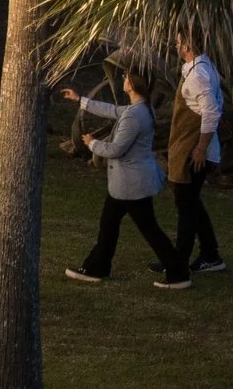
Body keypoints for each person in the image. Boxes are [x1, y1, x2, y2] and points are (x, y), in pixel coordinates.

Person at [59, 72, 188, 287]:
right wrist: (80, 100)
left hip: (130, 184)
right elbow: (112, 110)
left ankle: (178, 273)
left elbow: (116, 149)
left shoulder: (134, 116)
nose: (123, 79)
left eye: (126, 77)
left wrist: (92, 143)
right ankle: (97, 267)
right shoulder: (140, 109)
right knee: (109, 224)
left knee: (148, 229)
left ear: (134, 84)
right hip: (128, 183)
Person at [167, 32, 226, 274]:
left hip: (195, 152)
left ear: (188, 45)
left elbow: (211, 112)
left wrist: (201, 148)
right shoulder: (200, 68)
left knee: (186, 205)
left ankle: (179, 260)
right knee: (191, 203)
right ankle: (210, 254)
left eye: (178, 41)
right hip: (193, 149)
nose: (176, 45)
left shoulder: (198, 74)